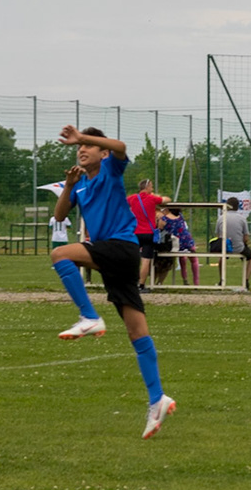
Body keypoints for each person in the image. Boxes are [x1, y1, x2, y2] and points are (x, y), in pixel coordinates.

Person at [50, 125, 176, 438]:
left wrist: (83, 136)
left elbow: (120, 145)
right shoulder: (79, 184)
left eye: (88, 147)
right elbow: (60, 215)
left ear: (101, 153)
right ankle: (157, 399)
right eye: (79, 148)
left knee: (60, 254)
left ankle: (89, 316)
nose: (81, 151)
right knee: (137, 332)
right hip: (113, 257)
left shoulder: (111, 168)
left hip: (121, 248)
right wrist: (67, 185)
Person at [127, 178, 168, 288]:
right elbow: (166, 199)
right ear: (147, 187)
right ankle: (141, 285)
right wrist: (155, 195)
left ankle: (130, 283)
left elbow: (122, 203)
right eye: (151, 186)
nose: (152, 188)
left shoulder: (133, 198)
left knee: (133, 259)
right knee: (146, 260)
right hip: (148, 233)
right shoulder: (152, 198)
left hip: (135, 233)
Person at [158, 204, 200, 285]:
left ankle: (185, 280)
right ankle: (196, 282)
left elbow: (160, 230)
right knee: (194, 260)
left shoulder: (164, 219)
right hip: (187, 240)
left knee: (182, 261)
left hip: (176, 243)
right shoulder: (180, 216)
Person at [220, 196, 251, 289]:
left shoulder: (221, 218)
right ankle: (246, 280)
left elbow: (218, 235)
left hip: (225, 247)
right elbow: (246, 237)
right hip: (239, 247)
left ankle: (221, 279)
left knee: (221, 258)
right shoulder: (242, 218)